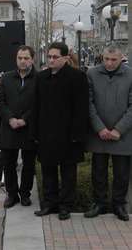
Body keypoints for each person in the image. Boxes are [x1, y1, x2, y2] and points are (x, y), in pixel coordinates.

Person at [33, 42, 89, 220]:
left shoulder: (77, 77)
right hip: (46, 134)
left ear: (65, 58)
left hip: (68, 136)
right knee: (48, 171)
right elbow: (36, 107)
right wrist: (35, 133)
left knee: (68, 173)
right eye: (49, 56)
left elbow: (81, 109)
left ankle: (65, 206)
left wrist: (77, 135)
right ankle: (50, 204)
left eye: (55, 57)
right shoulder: (41, 77)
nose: (51, 60)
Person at [84, 45, 132, 221]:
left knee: (122, 173)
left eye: (114, 60)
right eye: (106, 59)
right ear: (102, 58)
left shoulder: (130, 75)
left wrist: (119, 129)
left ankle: (119, 205)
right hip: (99, 133)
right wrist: (100, 128)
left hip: (123, 135)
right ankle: (99, 204)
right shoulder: (92, 74)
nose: (109, 63)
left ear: (121, 58)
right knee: (98, 171)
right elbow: (88, 104)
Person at [0, 45, 37, 208]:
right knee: (9, 164)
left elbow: (39, 103)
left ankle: (25, 194)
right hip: (9, 128)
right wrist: (10, 118)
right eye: (20, 58)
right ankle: (12, 195)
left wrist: (25, 119)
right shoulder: (6, 77)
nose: (22, 61)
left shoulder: (39, 78)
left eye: (26, 58)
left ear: (32, 59)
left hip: (29, 128)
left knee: (29, 165)